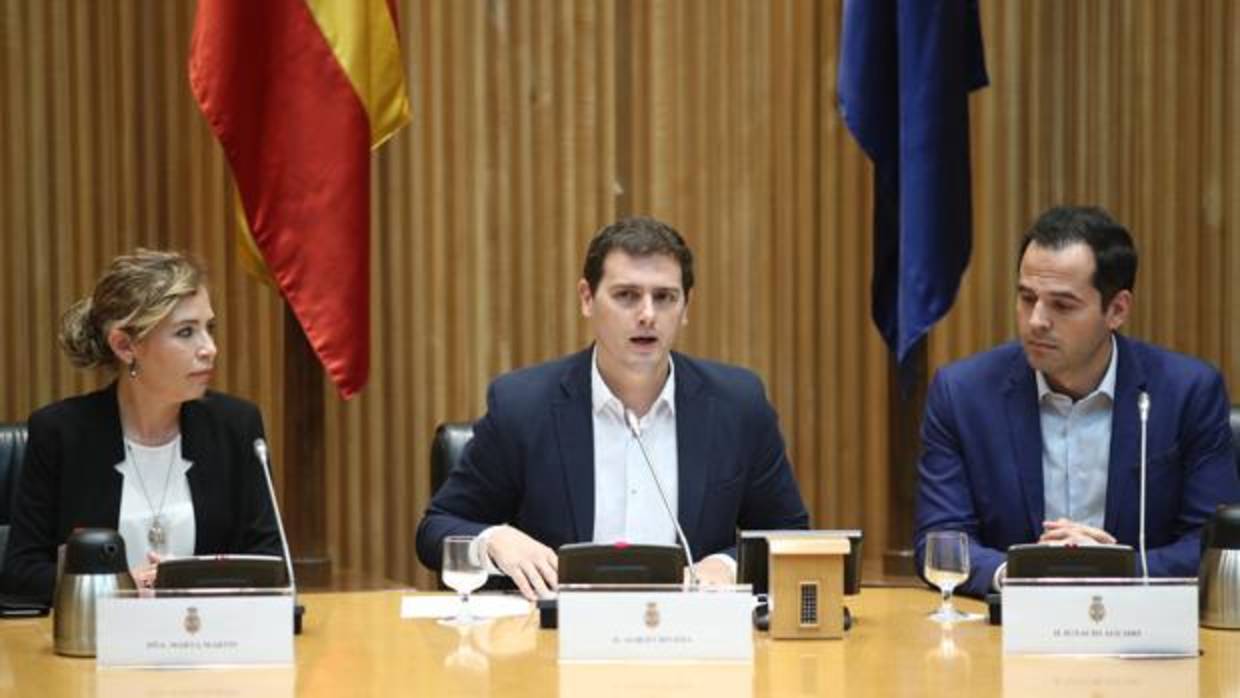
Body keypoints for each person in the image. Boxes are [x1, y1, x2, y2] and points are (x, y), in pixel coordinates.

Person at [416, 216, 809, 600]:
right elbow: (437, 529)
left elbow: (789, 536)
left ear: (686, 307)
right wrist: (495, 540)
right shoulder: (523, 406)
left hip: (690, 641)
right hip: (554, 646)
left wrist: (727, 565)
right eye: (626, 296)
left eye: (665, 297)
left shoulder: (737, 405)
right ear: (587, 299)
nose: (647, 315)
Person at [914, 205, 1240, 598]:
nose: (1036, 320)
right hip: (1007, 634)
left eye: (1062, 305)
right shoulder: (963, 393)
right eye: (1027, 297)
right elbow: (941, 541)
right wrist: (1021, 574)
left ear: (1117, 310)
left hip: (1139, 632)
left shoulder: (1187, 392)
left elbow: (1215, 546)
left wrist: (1117, 570)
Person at [1, 250, 282, 602]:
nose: (210, 348)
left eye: (208, 329)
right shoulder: (60, 433)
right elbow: (21, 573)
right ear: (125, 345)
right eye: (185, 332)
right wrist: (119, 587)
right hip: (92, 649)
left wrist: (189, 584)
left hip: (205, 646)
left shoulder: (236, 427)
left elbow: (270, 562)